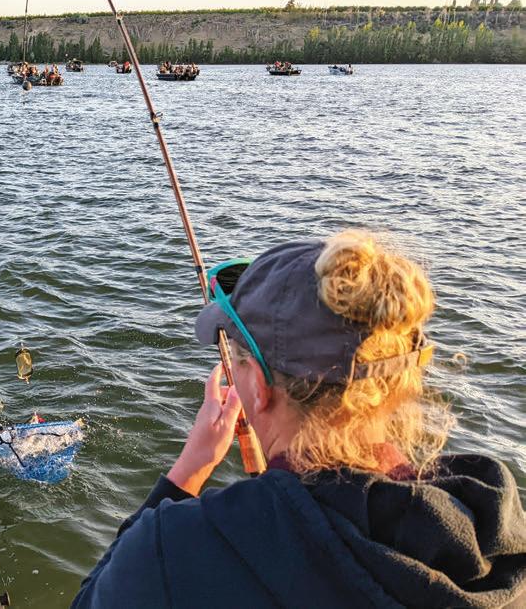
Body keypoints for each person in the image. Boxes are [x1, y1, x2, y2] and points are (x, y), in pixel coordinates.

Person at [73, 232, 526, 608]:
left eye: (238, 360)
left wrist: (189, 469)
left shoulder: (173, 547)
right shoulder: (492, 530)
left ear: (259, 387)